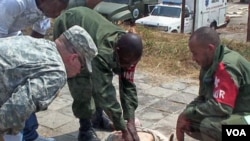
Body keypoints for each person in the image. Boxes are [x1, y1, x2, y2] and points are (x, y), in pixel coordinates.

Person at [53, 7, 143, 141]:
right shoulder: (104, 53)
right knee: (82, 80)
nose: (127, 67)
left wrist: (130, 121)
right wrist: (123, 128)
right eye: (124, 64)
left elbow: (128, 85)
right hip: (69, 23)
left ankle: (98, 118)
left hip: (90, 27)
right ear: (116, 51)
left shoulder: (130, 53)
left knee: (98, 79)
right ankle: (85, 129)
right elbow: (104, 92)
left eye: (130, 64)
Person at [0, 25, 97, 140]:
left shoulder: (39, 44)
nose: (80, 71)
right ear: (73, 58)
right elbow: (18, 107)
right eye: (82, 66)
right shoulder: (57, 72)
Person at [0, 0, 69, 141]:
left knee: (29, 88)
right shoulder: (15, 3)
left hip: (13, 36)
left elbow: (37, 38)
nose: (57, 15)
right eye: (59, 9)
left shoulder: (45, 9)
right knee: (12, 87)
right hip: (2, 40)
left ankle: (31, 135)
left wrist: (31, 67)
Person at [176, 26, 250, 141]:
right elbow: (203, 98)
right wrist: (185, 114)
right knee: (191, 123)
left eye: (195, 53)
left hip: (247, 117)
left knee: (210, 126)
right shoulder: (208, 64)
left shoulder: (226, 66)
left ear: (210, 49)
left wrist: (189, 113)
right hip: (238, 113)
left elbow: (221, 107)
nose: (193, 58)